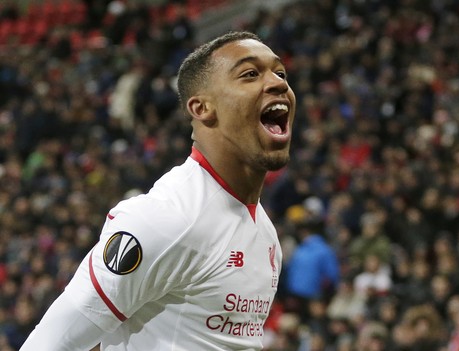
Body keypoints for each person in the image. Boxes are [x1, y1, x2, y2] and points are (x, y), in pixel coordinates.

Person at [21, 30, 296, 350]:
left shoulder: (266, 235)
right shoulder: (166, 219)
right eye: (250, 74)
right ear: (202, 108)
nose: (278, 83)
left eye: (280, 72)